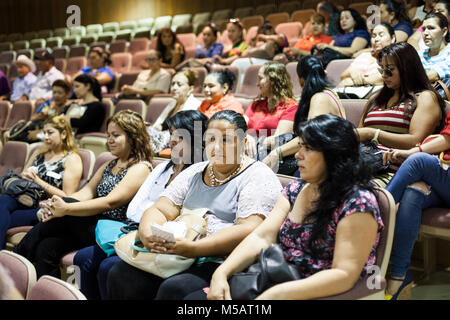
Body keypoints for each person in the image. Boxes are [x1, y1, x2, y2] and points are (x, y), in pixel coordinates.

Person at [196, 114, 383, 300]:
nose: (297, 155)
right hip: (278, 276)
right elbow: (262, 236)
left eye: (307, 148)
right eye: (300, 146)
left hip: (316, 292)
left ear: (334, 153)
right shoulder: (296, 188)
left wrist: (277, 294)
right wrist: (221, 273)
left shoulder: (358, 202)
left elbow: (344, 275)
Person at [107, 110, 283, 300]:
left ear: (244, 142)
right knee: (120, 273)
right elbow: (161, 208)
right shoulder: (196, 171)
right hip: (181, 250)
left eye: (225, 140)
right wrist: (147, 232)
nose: (216, 148)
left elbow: (249, 228)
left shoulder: (258, 176)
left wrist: (194, 249)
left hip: (223, 259)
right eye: (210, 140)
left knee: (175, 289)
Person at [73, 110, 208, 300]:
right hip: (134, 228)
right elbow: (134, 208)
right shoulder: (163, 167)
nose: (171, 141)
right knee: (81, 258)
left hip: (163, 237)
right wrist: (150, 216)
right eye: (171, 135)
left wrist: (153, 216)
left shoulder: (199, 173)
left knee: (108, 267)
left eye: (179, 137)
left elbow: (180, 216)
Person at [14, 110, 154, 279]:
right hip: (90, 225)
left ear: (133, 137)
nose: (109, 140)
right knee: (46, 247)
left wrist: (66, 208)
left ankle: (14, 265)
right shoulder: (110, 164)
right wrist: (57, 203)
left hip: (112, 228)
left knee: (60, 215)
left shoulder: (140, 167)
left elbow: (110, 203)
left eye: (115, 135)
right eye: (108, 135)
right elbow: (85, 193)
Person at [382, 109, 450, 300]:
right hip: (444, 180)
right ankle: (399, 277)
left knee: (418, 160)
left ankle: (374, 218)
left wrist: (413, 151)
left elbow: (448, 139)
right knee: (414, 192)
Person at [357, 42, 445, 185]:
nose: (384, 75)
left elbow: (416, 142)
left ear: (407, 69)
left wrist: (373, 134)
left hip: (396, 172)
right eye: (382, 70)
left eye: (390, 70)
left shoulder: (424, 98)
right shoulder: (376, 98)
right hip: (362, 165)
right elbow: (359, 134)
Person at [0, 115, 82, 249]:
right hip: (23, 197)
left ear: (63, 134)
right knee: (2, 201)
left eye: (50, 133)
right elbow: (22, 177)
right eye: (44, 133)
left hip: (44, 205)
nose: (46, 137)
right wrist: (25, 176)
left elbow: (67, 196)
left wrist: (38, 181)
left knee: (3, 215)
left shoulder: (72, 159)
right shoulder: (39, 152)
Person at [262, 56, 346, 174]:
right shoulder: (322, 95)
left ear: (300, 79)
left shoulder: (320, 98)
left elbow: (308, 137)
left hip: (331, 164)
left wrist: (277, 153)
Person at [244, 62, 298, 158]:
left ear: (273, 80)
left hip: (266, 155)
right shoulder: (256, 104)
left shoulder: (291, 107)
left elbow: (278, 140)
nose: (257, 83)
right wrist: (246, 138)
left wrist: (254, 141)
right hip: (246, 150)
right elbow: (238, 126)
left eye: (261, 78)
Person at [147, 69, 202, 153]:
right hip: (163, 141)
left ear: (190, 89)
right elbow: (158, 126)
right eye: (173, 84)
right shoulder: (172, 104)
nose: (174, 88)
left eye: (179, 84)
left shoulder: (196, 105)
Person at [338, 23, 396, 88]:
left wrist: (360, 80)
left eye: (381, 35)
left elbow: (388, 77)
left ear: (392, 38)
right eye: (373, 36)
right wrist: (353, 73)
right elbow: (343, 76)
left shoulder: (396, 56)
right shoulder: (364, 56)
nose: (376, 39)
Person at [418, 12, 450, 83]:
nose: (425, 33)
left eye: (431, 28)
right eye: (423, 29)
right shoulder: (419, 55)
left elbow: (433, 75)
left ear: (444, 31)